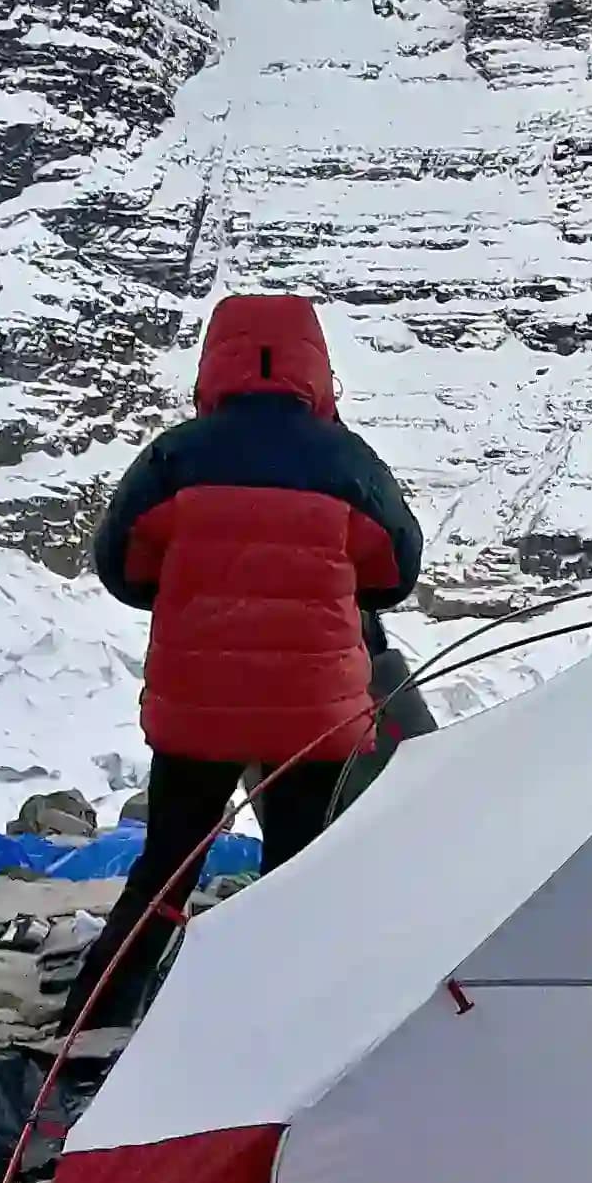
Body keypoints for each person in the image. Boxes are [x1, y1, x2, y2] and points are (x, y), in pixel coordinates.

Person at [76, 293, 423, 1029]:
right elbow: (396, 570)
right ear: (315, 368)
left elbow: (119, 565)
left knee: (166, 869)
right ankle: (288, 1032)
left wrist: (190, 585)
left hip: (198, 706)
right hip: (312, 714)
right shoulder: (348, 462)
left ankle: (95, 1023)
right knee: (298, 873)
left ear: (216, 364)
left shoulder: (175, 457)